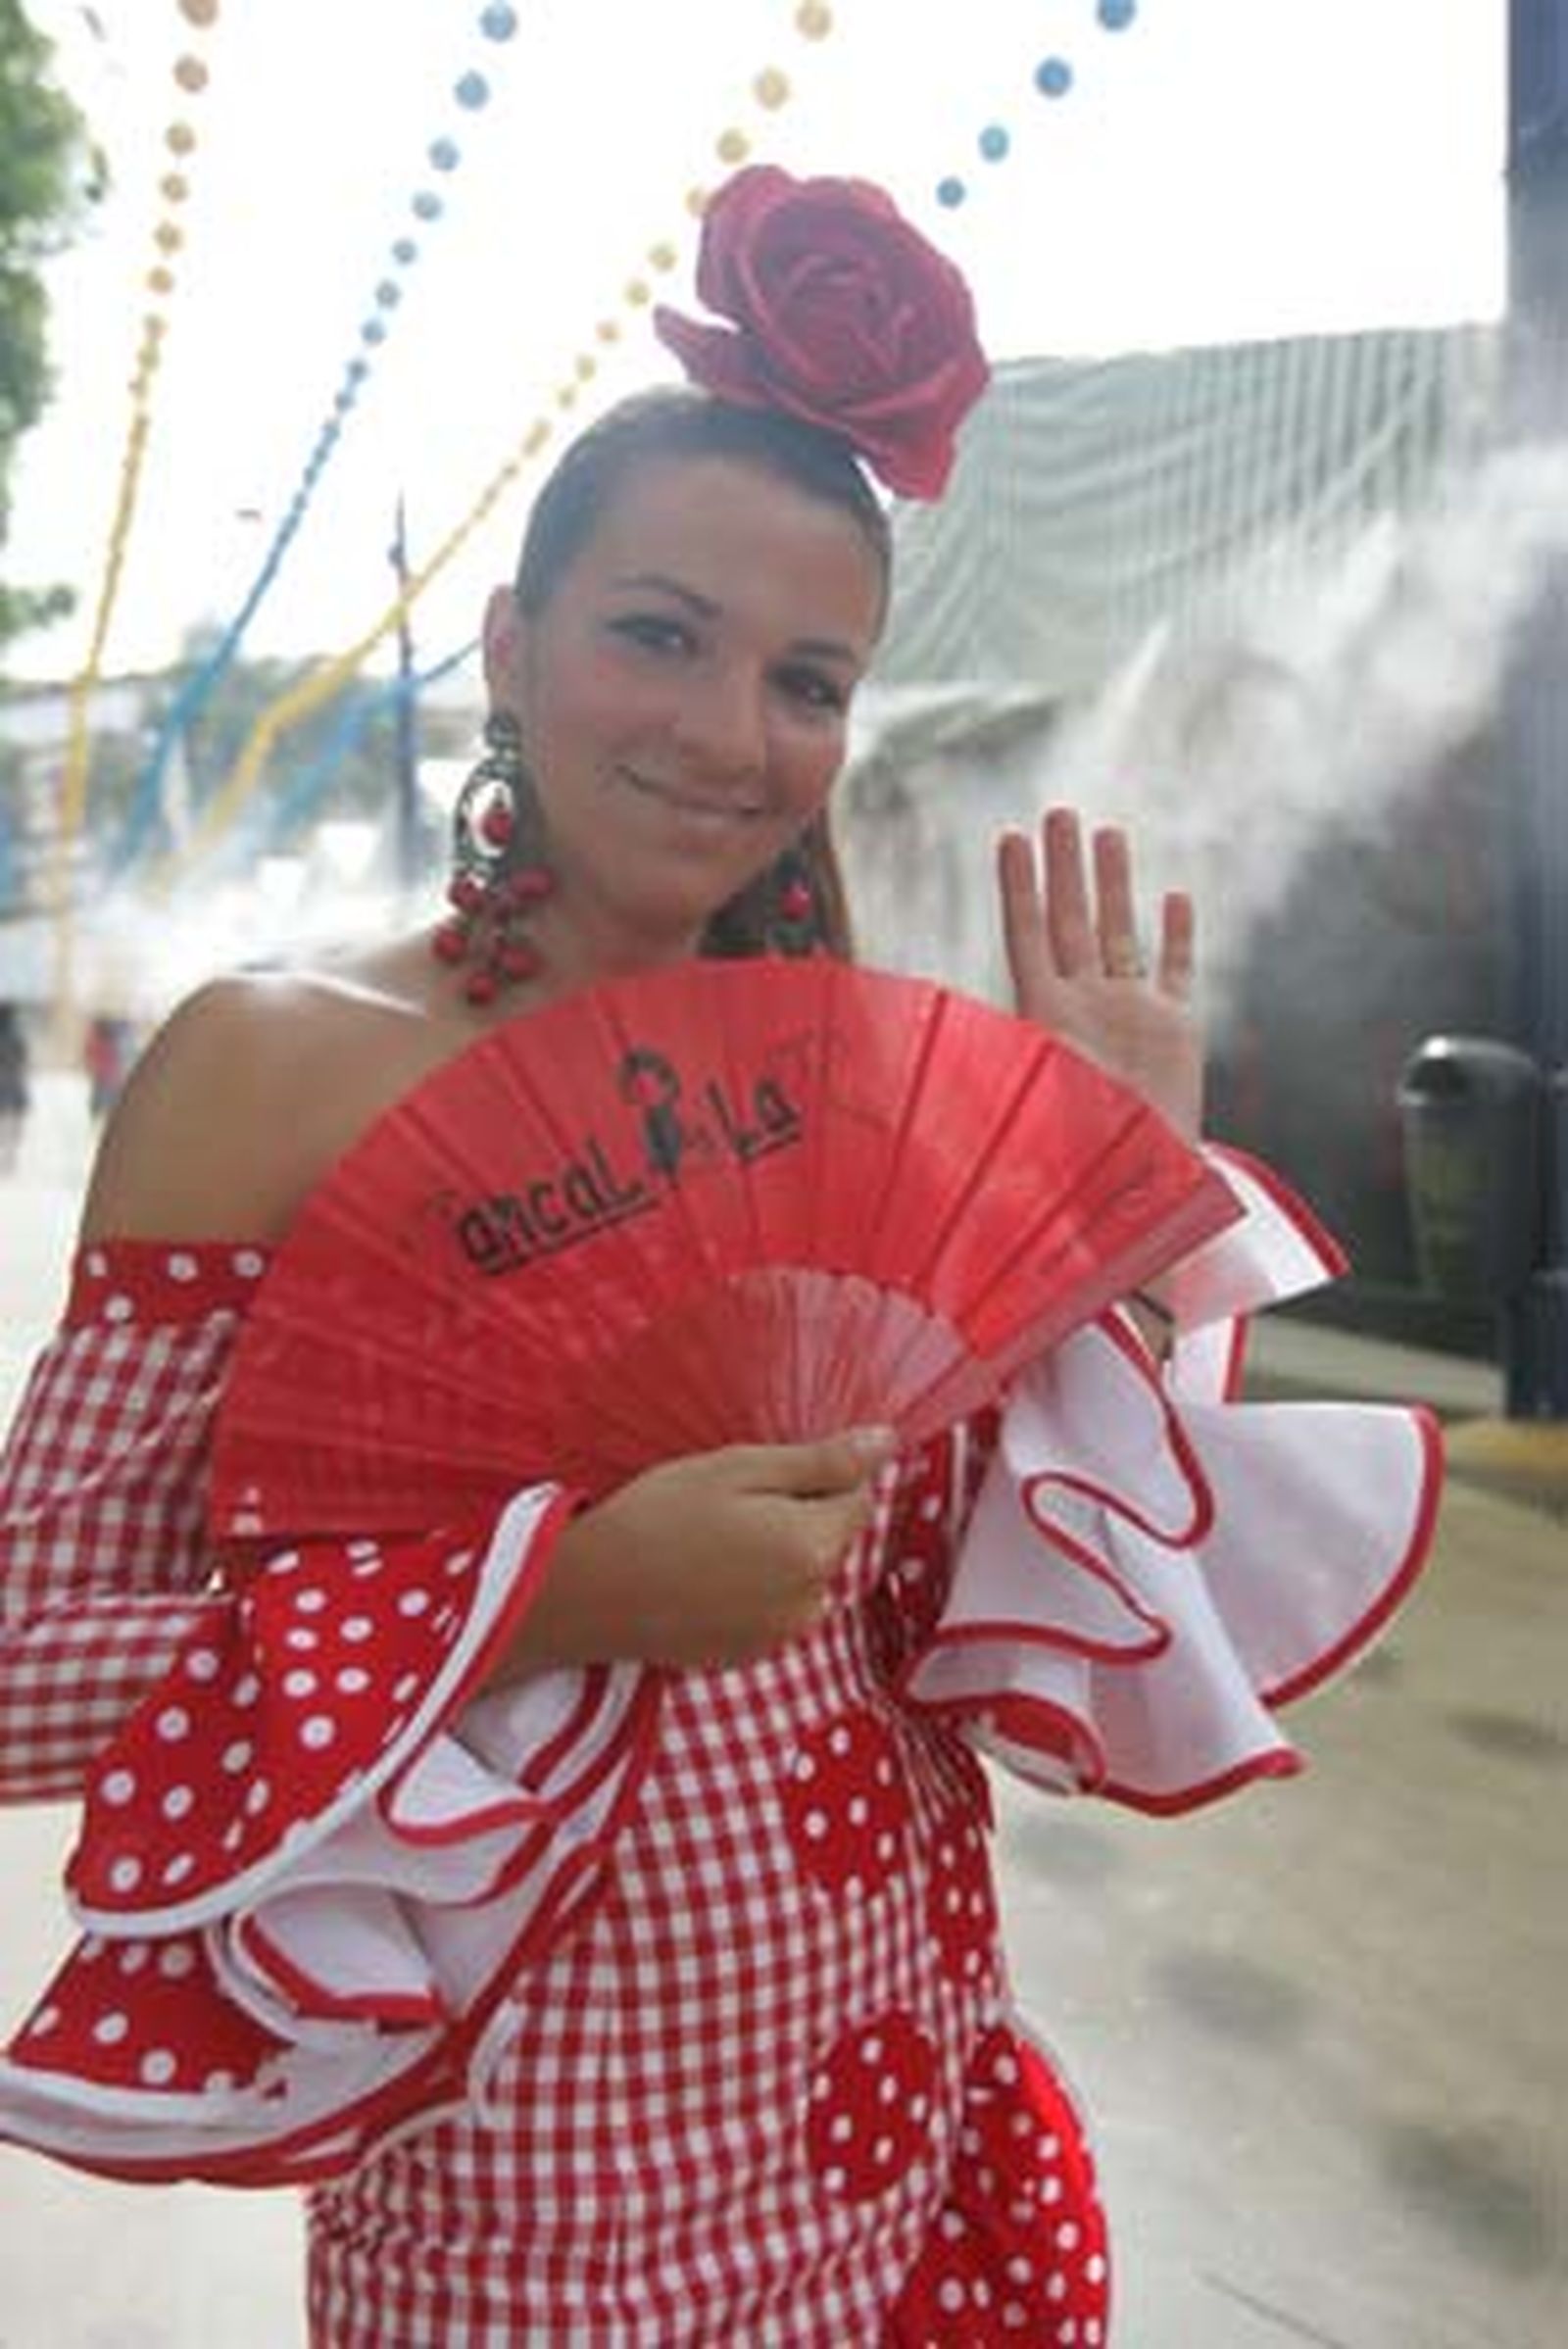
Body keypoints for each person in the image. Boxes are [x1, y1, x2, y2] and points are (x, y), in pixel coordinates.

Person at [0, 168, 1440, 2345]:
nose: (725, 731)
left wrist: (1107, 1204)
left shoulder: (852, 1084)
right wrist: (550, 1597)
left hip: (901, 2083)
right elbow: (28, 1662)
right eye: (654, 632)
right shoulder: (273, 1071)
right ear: (510, 643)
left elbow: (986, 1601)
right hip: (533, 2192)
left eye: (805, 676)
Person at [0, 1002, 29, 1175]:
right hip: (14, 1084)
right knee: (13, 1125)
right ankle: (9, 1159)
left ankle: (6, 1159)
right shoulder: (18, 1036)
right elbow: (24, 1060)